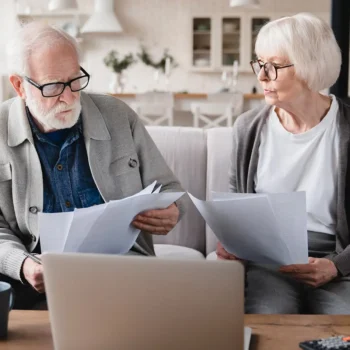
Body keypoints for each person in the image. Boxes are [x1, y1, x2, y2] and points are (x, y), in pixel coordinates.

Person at [0, 22, 186, 309]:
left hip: (118, 270)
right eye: (53, 86)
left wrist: (173, 211)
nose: (70, 96)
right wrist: (23, 264)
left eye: (75, 80)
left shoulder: (117, 115)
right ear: (19, 86)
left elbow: (170, 189)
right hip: (32, 275)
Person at [216, 13, 350, 314]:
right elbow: (236, 205)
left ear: (310, 66)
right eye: (260, 63)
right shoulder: (248, 127)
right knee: (266, 319)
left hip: (338, 260)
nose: (262, 76)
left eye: (274, 66)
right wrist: (232, 241)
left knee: (342, 326)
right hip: (269, 261)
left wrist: (336, 266)